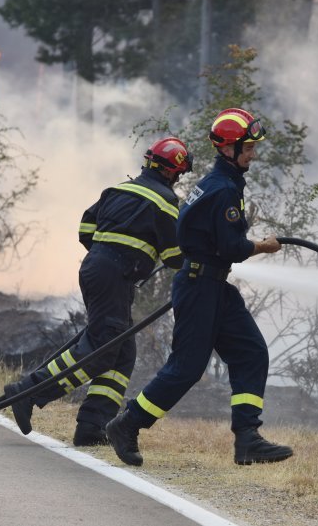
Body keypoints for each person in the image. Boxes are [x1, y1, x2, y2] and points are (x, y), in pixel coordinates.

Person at [106, 108, 293, 466]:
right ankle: (128, 423)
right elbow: (232, 248)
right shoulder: (222, 191)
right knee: (187, 368)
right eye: (249, 147)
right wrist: (263, 246)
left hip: (213, 287)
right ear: (228, 148)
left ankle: (247, 439)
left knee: (251, 352)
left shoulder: (220, 184)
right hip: (199, 287)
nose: (253, 153)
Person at [3, 137, 193, 446]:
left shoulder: (118, 189)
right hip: (114, 276)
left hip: (95, 268)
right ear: (175, 172)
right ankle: (28, 392)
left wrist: (108, 252)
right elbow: (174, 257)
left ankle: (93, 424)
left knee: (122, 352)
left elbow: (85, 229)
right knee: (102, 349)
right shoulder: (165, 201)